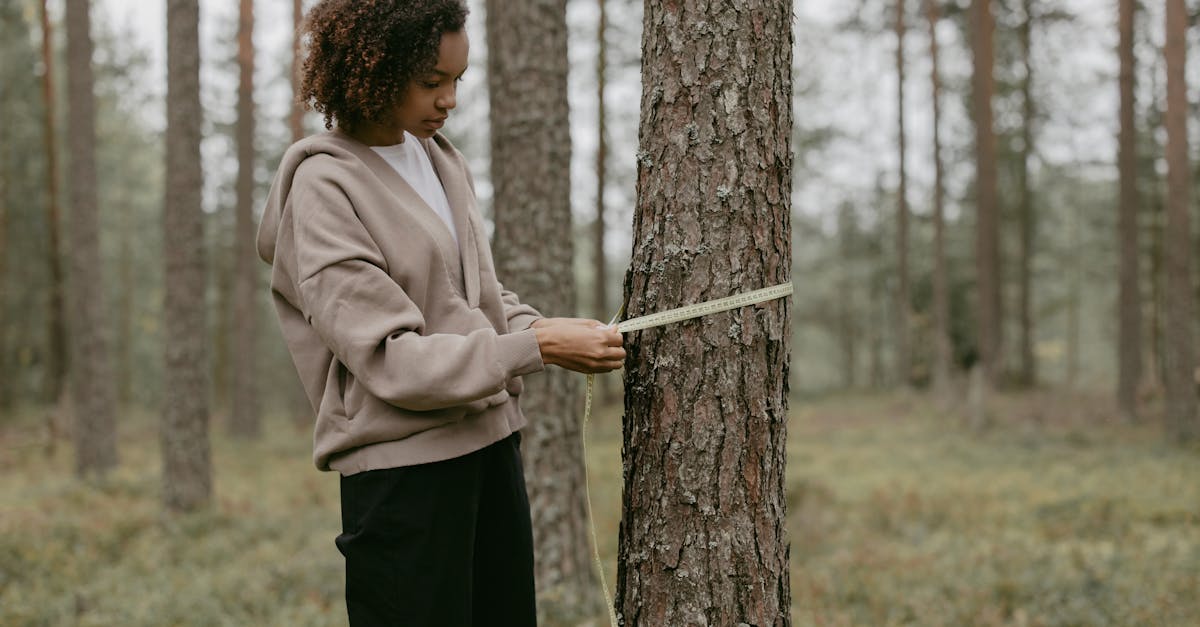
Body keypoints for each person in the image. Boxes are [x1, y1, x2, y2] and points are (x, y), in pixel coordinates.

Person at [255, 1, 625, 625]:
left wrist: (537, 327)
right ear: (372, 69)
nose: (449, 99)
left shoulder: (439, 159)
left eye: (458, 79)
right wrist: (539, 349)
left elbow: (475, 300)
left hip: (490, 452)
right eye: (431, 82)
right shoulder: (325, 190)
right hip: (403, 481)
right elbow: (392, 360)